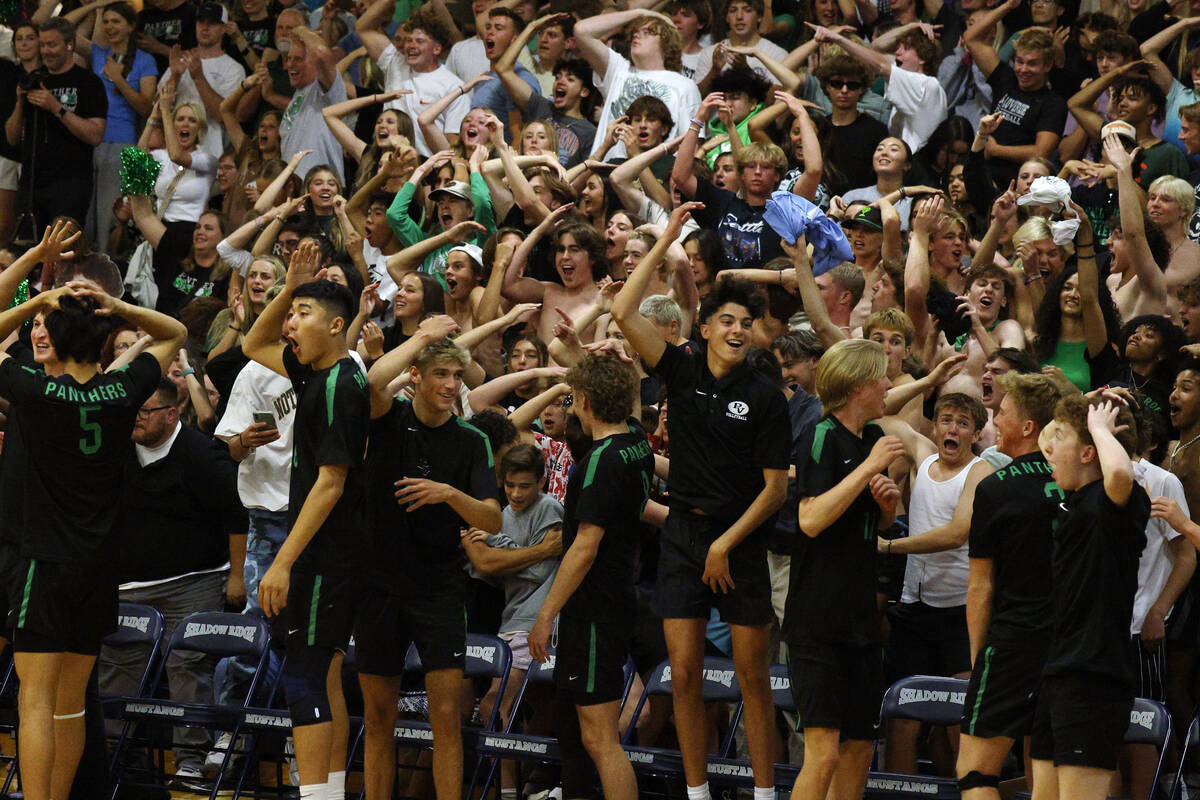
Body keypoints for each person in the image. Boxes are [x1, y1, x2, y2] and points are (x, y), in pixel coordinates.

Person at [0, 223, 185, 800]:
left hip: (44, 563)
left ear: (53, 333)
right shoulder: (120, 389)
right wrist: (117, 304)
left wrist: (39, 290)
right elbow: (176, 330)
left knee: (33, 698)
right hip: (99, 567)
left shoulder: (33, 389)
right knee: (71, 701)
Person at [612, 203, 789, 800]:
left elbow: (775, 490)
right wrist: (664, 239)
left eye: (748, 322)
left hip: (737, 540)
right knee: (682, 676)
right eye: (728, 320)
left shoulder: (766, 394)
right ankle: (696, 792)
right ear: (705, 326)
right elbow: (621, 310)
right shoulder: (680, 370)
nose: (738, 330)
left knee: (752, 679)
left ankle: (764, 794)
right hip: (683, 540)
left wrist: (725, 544)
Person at [241, 240, 370, 800]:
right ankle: (331, 793)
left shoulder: (341, 384)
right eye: (292, 313)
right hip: (329, 552)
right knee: (325, 679)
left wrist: (282, 564)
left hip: (325, 554)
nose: (291, 322)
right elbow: (253, 341)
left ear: (338, 326)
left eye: (304, 313)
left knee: (305, 678)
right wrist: (289, 287)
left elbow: (332, 482)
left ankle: (317, 794)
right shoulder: (316, 373)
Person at [356, 317, 502, 800]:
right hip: (378, 582)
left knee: (446, 718)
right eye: (440, 373)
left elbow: (493, 518)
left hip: (439, 587)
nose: (450, 385)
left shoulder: (471, 439)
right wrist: (418, 338)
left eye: (456, 376)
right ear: (417, 374)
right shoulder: (388, 417)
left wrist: (447, 493)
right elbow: (372, 379)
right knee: (379, 717)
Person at [104, 377, 247, 790]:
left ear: (171, 414)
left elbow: (237, 518)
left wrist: (236, 576)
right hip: (129, 585)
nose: (135, 419)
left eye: (144, 412)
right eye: (132, 411)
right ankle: (117, 753)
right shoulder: (116, 450)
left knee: (188, 664)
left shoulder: (203, 455)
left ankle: (190, 760)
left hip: (194, 579)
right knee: (116, 668)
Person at [528, 352, 654, 800]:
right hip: (617, 596)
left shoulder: (601, 460)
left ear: (581, 401)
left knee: (601, 740)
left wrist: (546, 614)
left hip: (596, 608)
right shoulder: (637, 442)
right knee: (588, 736)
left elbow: (584, 547)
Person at [788, 337, 904, 800]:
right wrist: (869, 470)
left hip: (860, 616)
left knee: (859, 748)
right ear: (857, 386)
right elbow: (810, 518)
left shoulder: (873, 439)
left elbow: (873, 523)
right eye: (881, 377)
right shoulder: (820, 436)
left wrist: (888, 508)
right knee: (826, 752)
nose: (889, 384)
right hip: (817, 620)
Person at [1033, 396, 1150, 800]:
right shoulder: (1077, 499)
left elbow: (1118, 470)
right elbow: (1047, 438)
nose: (1049, 448)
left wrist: (1097, 427)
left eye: (1064, 436)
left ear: (1088, 452)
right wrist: (1079, 406)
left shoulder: (1120, 502)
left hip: (1094, 676)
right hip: (1060, 671)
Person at [954, 371, 1065, 799]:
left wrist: (980, 657)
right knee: (1047, 777)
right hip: (1068, 645)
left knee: (976, 774)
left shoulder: (997, 488)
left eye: (1002, 413)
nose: (993, 422)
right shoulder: (1081, 487)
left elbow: (980, 589)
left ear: (1027, 427)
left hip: (1014, 643)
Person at [4, 17, 107, 237]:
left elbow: (96, 135)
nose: (45, 51)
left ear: (69, 45)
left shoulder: (89, 83)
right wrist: (20, 102)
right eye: (42, 45)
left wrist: (57, 108)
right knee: (25, 254)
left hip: (70, 184)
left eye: (52, 45)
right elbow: (12, 138)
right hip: (31, 184)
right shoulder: (34, 80)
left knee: (62, 257)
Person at [963, 0, 1067, 194]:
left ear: (1047, 66)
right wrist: (1008, 6)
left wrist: (996, 150)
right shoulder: (1005, 78)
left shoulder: (1053, 103)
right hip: (985, 178)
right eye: (1019, 61)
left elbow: (1041, 152)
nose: (1023, 69)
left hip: (1019, 189)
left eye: (1032, 64)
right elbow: (971, 38)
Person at [573, 8, 701, 159]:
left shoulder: (685, 86)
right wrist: (638, 13)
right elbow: (581, 30)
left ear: (666, 42)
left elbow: (691, 144)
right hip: (607, 171)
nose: (636, 35)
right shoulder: (618, 70)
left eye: (647, 32)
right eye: (636, 31)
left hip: (655, 175)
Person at [805, 23, 947, 153]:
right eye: (898, 47)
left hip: (921, 166)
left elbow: (879, 65)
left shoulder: (925, 85)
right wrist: (911, 26)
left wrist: (836, 38)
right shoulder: (910, 82)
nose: (897, 52)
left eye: (906, 48)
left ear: (923, 58)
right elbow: (877, 47)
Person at [356, 3, 469, 158]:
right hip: (389, 163)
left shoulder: (454, 86)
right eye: (409, 40)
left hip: (429, 166)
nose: (410, 46)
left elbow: (453, 143)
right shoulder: (395, 64)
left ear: (436, 49)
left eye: (419, 41)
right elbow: (363, 27)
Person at [279, 22, 349, 185]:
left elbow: (322, 53)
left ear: (314, 63)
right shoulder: (298, 96)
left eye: (298, 59)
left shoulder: (328, 91)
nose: (289, 65)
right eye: (289, 59)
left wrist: (299, 29)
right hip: (295, 190)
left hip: (324, 189)